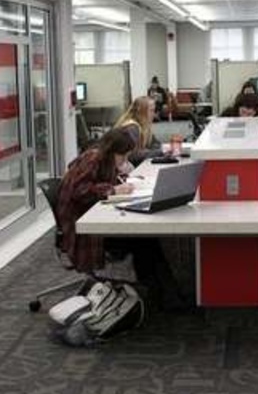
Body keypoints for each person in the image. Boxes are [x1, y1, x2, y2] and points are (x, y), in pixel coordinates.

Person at [56, 128, 185, 310]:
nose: (124, 160)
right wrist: (112, 190)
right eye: (122, 156)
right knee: (144, 242)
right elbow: (80, 190)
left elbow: (100, 181)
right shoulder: (93, 158)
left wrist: (124, 181)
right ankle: (164, 294)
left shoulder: (102, 158)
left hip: (91, 216)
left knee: (147, 242)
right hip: (83, 229)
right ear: (111, 150)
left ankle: (163, 292)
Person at [114, 96, 162, 165]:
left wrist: (153, 151)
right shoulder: (132, 128)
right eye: (151, 110)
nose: (154, 115)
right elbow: (132, 156)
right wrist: (159, 152)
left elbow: (155, 144)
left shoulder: (144, 126)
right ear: (141, 111)